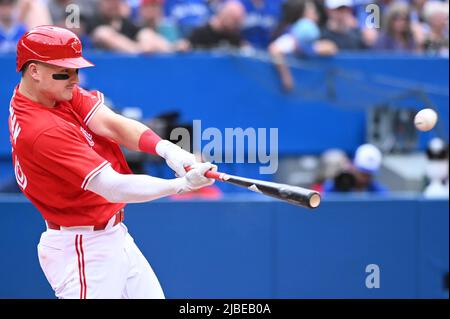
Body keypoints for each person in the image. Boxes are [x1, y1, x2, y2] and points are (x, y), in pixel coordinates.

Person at [8, 25, 216, 299]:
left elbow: (112, 125)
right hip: (82, 248)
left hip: (112, 234)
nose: (74, 79)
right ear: (34, 70)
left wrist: (169, 151)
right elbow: (112, 186)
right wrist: (181, 185)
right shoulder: (42, 129)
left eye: (76, 70)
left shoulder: (50, 93)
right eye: (64, 71)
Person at [323, 143, 389, 193]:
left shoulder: (378, 191)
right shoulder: (336, 186)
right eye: (363, 174)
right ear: (354, 167)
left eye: (369, 175)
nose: (365, 179)